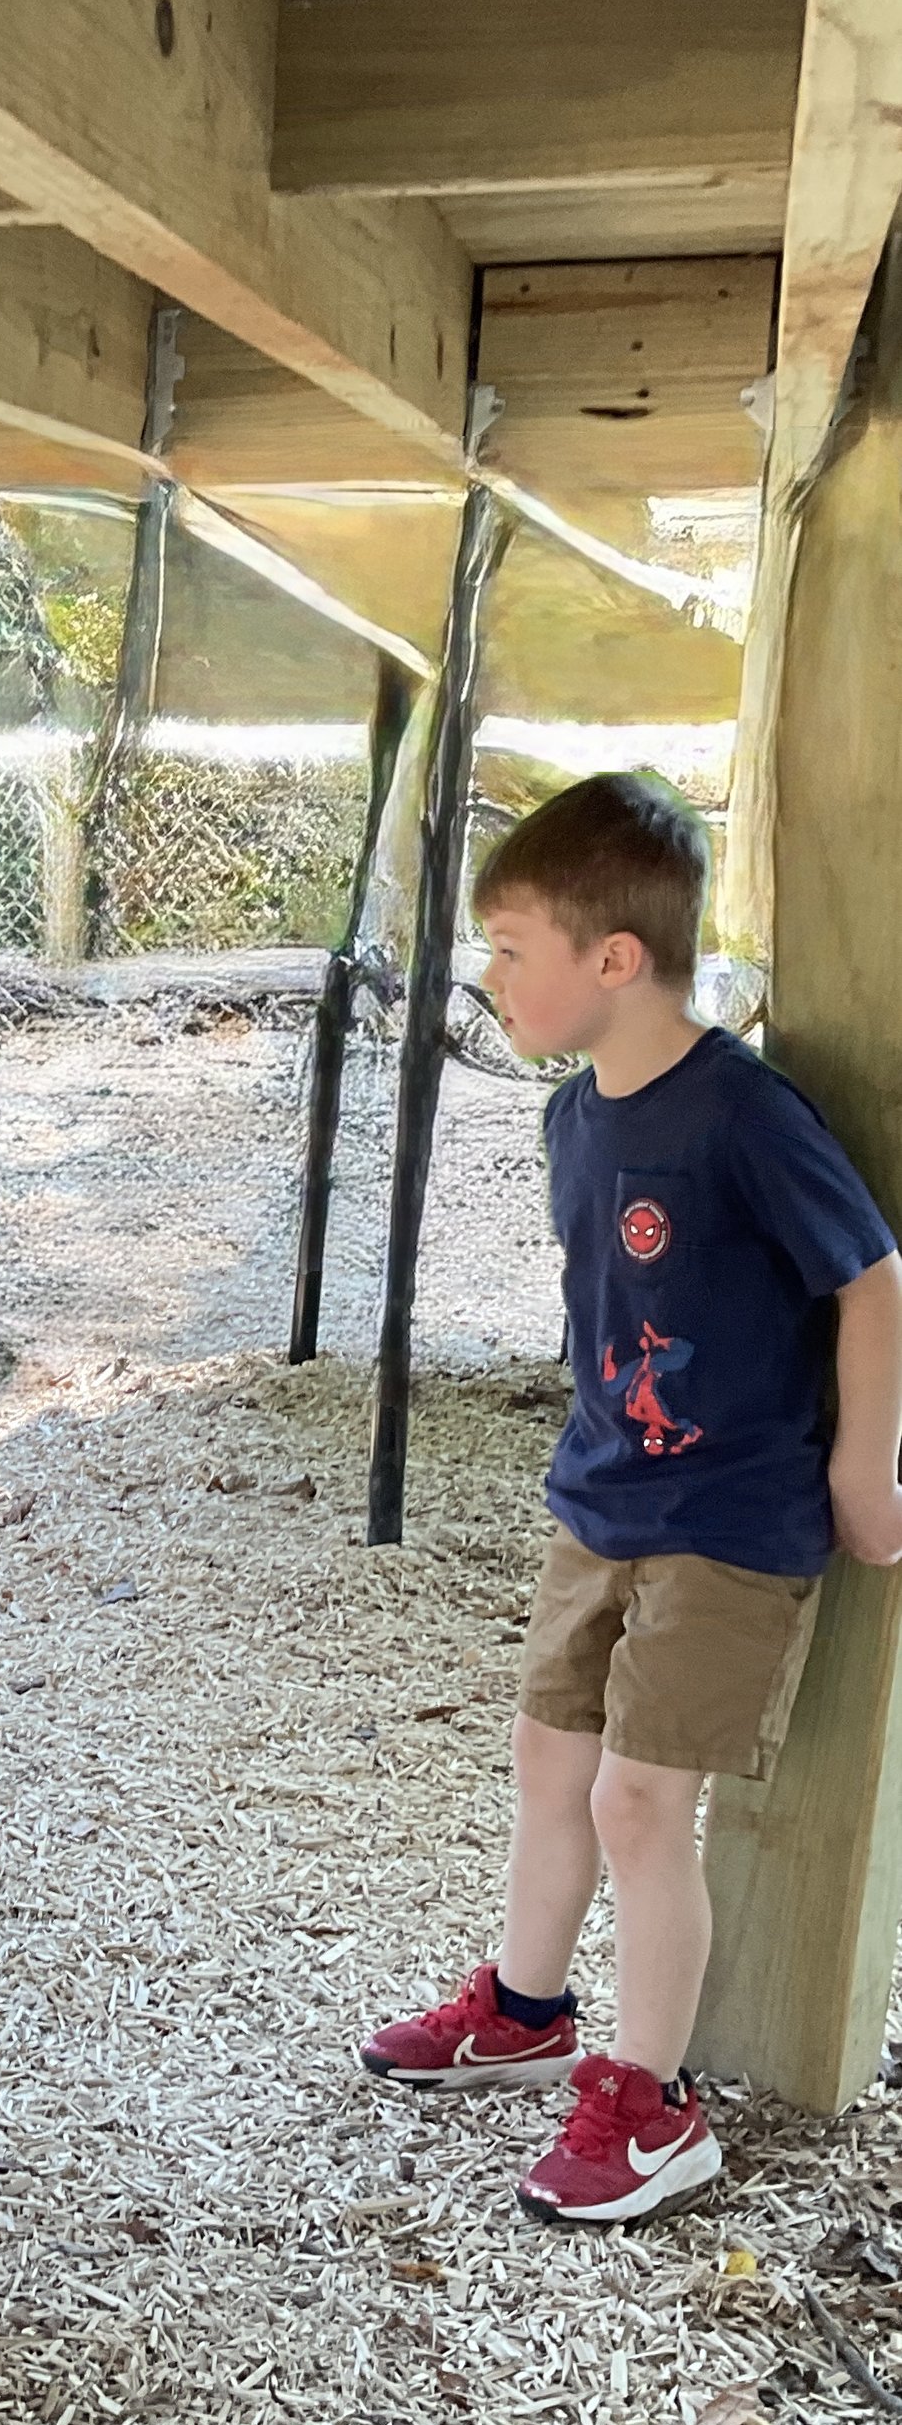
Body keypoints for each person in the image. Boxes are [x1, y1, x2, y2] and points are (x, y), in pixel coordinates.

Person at [360, 773, 902, 2225]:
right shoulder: (573, 1120)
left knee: (644, 1801)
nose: (492, 975)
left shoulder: (744, 1114)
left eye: (513, 945)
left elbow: (871, 1275)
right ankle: (526, 2009)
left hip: (730, 1524)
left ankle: (654, 2105)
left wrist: (865, 1464)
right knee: (551, 1765)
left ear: (614, 959)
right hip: (597, 1500)